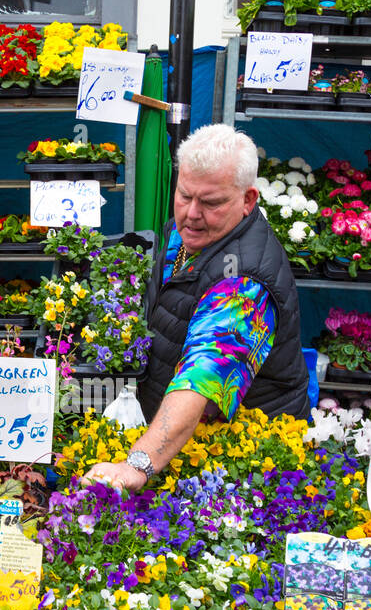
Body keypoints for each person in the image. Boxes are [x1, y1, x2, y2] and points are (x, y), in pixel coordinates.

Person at [83, 123, 309, 491]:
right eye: (185, 195)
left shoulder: (243, 281)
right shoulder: (192, 231)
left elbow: (200, 381)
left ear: (249, 200)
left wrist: (137, 465)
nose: (191, 213)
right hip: (187, 443)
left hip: (240, 465)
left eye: (212, 202)